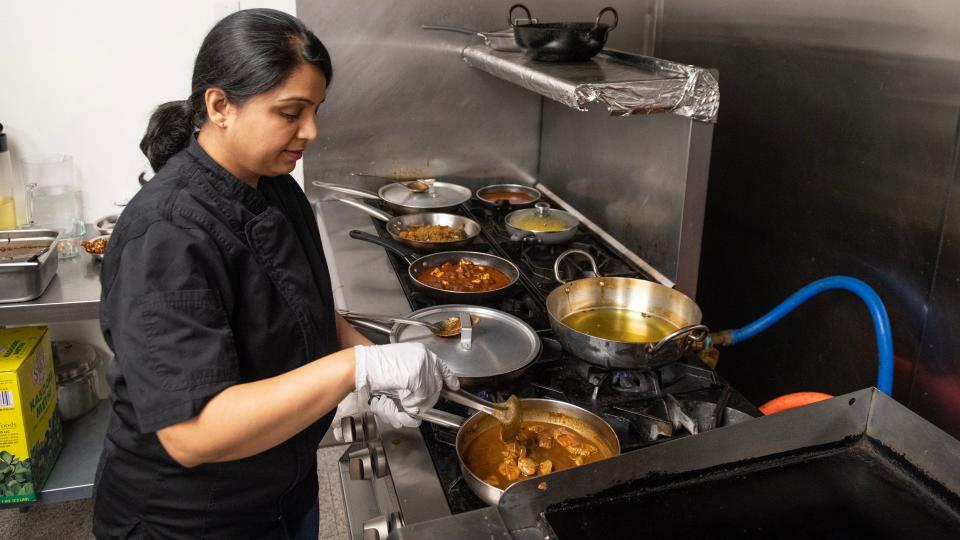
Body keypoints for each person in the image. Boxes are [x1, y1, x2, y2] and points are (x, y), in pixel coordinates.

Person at [92, 9, 457, 539]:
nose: (310, 131)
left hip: (280, 485)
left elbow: (301, 306)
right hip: (191, 518)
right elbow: (192, 433)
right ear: (220, 106)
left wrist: (376, 369)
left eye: (315, 110)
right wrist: (359, 369)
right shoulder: (167, 233)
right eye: (291, 112)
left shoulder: (274, 183)